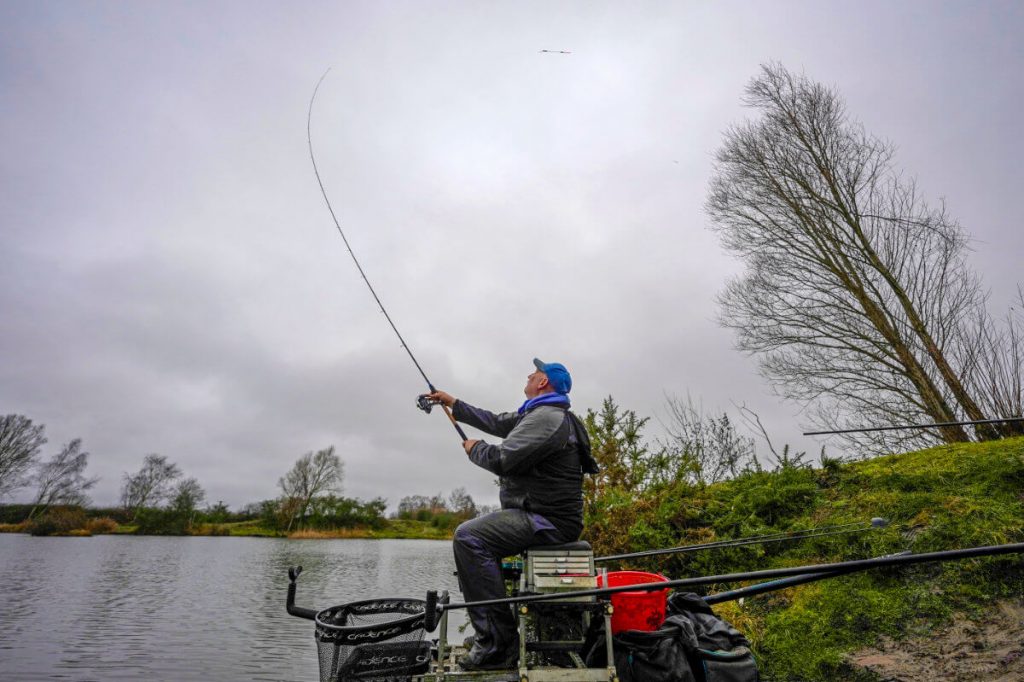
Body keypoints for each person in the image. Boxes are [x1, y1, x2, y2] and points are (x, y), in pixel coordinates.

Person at [427, 358, 598, 671]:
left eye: (536, 372)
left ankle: (497, 644)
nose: (530, 373)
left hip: (547, 520)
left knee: (469, 537)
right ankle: (492, 633)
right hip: (540, 514)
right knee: (476, 539)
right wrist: (455, 404)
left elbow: (503, 459)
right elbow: (497, 421)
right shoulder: (537, 414)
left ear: (543, 382)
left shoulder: (546, 418)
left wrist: (476, 449)